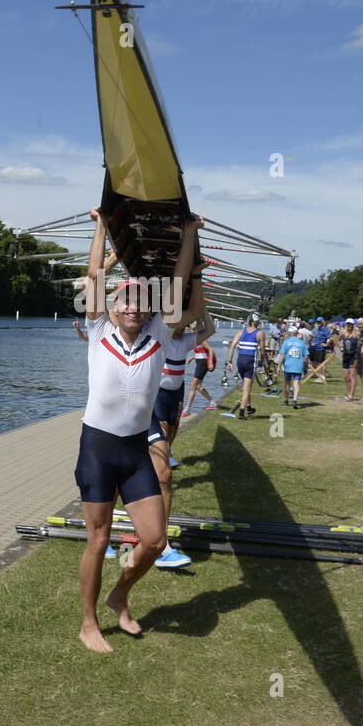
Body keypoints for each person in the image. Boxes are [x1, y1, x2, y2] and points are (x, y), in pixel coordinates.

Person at [72, 208, 199, 652]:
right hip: (98, 448)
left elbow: (180, 283)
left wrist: (188, 234)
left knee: (154, 539)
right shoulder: (99, 329)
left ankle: (119, 594)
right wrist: (102, 225)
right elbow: (93, 273)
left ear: (148, 311)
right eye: (124, 298)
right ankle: (88, 623)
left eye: (140, 302)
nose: (132, 306)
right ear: (112, 305)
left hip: (134, 451)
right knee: (100, 538)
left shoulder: (159, 336)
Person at [146, 265, 212, 571]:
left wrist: (202, 305)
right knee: (149, 470)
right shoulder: (154, 331)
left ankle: (159, 545)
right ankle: (107, 535)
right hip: (152, 399)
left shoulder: (183, 339)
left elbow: (205, 326)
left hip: (171, 395)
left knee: (166, 457)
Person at [225, 314, 265, 419]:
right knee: (247, 389)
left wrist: (229, 361)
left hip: (240, 361)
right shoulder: (260, 333)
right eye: (258, 322)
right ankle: (242, 413)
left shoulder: (240, 332)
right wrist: (261, 361)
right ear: (256, 322)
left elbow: (232, 346)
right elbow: (263, 350)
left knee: (245, 386)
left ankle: (249, 408)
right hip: (250, 361)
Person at [182, 336, 218, 417]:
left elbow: (210, 350)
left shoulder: (201, 339)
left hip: (202, 365)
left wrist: (211, 363)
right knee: (198, 386)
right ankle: (212, 403)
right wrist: (192, 358)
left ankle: (187, 409)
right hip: (200, 364)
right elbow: (202, 353)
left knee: (192, 387)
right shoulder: (195, 339)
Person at [277, 325, 308, 409]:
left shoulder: (286, 342)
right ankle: (295, 401)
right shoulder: (302, 342)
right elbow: (306, 357)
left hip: (288, 365)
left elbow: (282, 355)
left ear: (289, 333)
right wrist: (305, 367)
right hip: (298, 365)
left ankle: (286, 401)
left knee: (287, 383)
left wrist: (279, 366)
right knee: (296, 383)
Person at [340, 320, 360, 401]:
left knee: (352, 376)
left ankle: (351, 395)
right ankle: (348, 394)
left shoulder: (357, 334)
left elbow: (360, 345)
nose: (349, 325)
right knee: (346, 376)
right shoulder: (343, 333)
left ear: (353, 325)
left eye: (350, 324)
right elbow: (337, 340)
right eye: (347, 324)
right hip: (345, 356)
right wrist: (341, 347)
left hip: (354, 357)